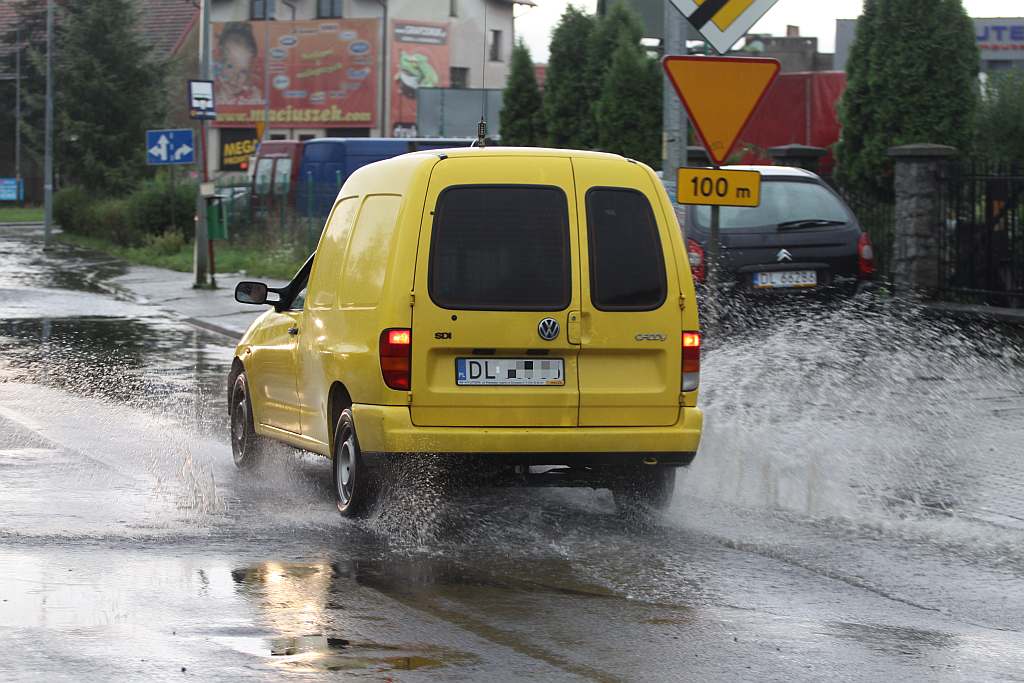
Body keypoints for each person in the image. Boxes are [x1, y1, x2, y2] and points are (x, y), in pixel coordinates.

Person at [216, 23, 262, 105]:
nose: (235, 77)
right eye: (230, 66)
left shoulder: (251, 98)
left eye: (243, 71)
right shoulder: (212, 98)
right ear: (219, 63)